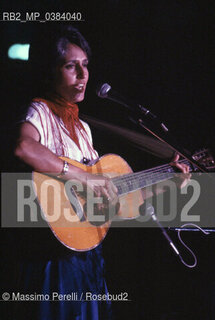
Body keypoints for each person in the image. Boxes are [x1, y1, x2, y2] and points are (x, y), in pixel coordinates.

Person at [14, 25, 189, 319]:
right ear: (51, 71)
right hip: (54, 260)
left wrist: (167, 183)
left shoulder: (83, 130)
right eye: (71, 66)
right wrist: (82, 176)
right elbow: (24, 147)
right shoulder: (40, 111)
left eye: (85, 66)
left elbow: (117, 202)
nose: (83, 76)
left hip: (88, 257)